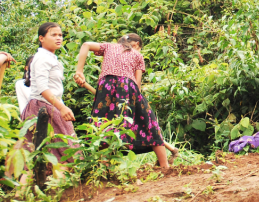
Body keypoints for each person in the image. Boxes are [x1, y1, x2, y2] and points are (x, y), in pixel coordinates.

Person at [73, 33, 170, 167]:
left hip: (105, 87)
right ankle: (165, 166)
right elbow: (137, 84)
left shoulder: (109, 46)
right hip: (128, 87)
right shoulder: (137, 55)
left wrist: (79, 71)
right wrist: (140, 106)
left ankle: (105, 168)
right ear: (136, 45)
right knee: (148, 122)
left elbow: (86, 45)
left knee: (103, 124)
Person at [74, 69, 179, 165]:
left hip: (129, 101)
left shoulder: (131, 63)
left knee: (140, 128)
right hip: (118, 102)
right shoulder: (113, 71)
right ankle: (105, 167)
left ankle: (166, 160)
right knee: (111, 131)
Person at [21, 23, 79, 161]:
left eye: (60, 35)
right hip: (42, 107)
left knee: (60, 150)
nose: (58, 38)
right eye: (53, 35)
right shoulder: (42, 58)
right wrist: (61, 107)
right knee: (61, 151)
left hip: (51, 104)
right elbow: (42, 88)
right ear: (41, 38)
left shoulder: (50, 57)